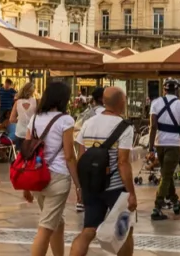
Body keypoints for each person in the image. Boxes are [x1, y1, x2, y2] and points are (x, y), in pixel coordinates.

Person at [71, 86, 137, 256]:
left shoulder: (88, 123)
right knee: (125, 231)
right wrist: (131, 193)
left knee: (88, 230)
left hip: (91, 185)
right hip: (115, 187)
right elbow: (123, 162)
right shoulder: (125, 127)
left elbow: (81, 157)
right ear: (122, 103)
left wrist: (80, 186)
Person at [23, 81, 79, 256]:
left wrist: (26, 185)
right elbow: (69, 155)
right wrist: (79, 184)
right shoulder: (66, 120)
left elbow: (27, 153)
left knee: (57, 221)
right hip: (58, 177)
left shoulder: (34, 119)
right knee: (46, 227)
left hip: (37, 176)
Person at [148, 79, 180, 220]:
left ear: (164, 90)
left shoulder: (156, 103)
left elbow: (152, 126)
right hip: (174, 144)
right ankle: (157, 206)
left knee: (166, 173)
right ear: (177, 90)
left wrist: (150, 148)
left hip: (159, 143)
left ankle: (174, 200)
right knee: (166, 175)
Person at [9, 82, 38, 146]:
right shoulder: (36, 102)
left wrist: (20, 120)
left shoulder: (17, 102)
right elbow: (38, 118)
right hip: (32, 133)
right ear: (33, 91)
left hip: (20, 132)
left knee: (20, 154)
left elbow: (11, 119)